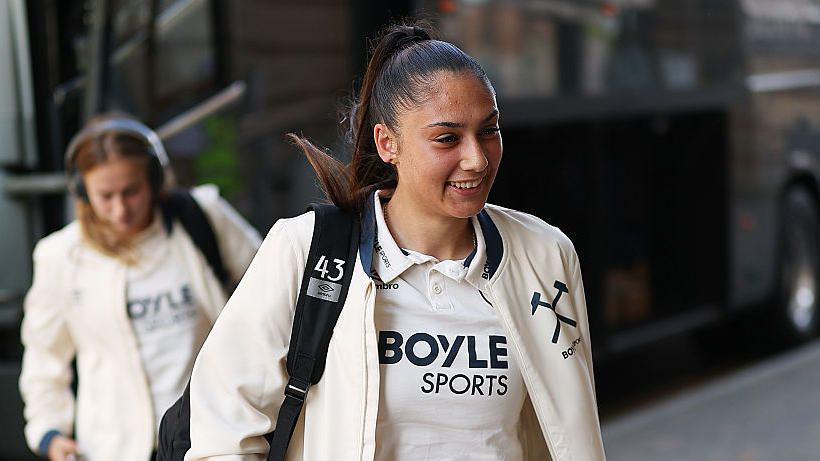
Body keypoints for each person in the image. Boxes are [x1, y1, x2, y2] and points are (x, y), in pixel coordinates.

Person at [185, 23, 605, 460]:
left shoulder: (545, 254)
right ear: (388, 143)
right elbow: (222, 431)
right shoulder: (304, 248)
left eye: (489, 130)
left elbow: (568, 430)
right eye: (447, 138)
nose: (477, 159)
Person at [19, 114, 262, 461]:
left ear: (154, 179)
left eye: (131, 192)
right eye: (105, 196)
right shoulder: (59, 257)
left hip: (212, 439)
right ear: (81, 190)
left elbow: (273, 296)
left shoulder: (203, 217)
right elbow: (45, 357)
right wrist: (50, 433)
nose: (120, 209)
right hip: (111, 448)